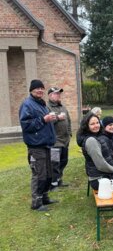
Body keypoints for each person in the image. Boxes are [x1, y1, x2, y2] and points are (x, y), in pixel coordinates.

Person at [19, 79, 58, 211]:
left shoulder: (41, 104)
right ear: (31, 90)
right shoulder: (27, 104)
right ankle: (36, 203)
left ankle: (44, 197)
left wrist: (51, 119)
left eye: (42, 88)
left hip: (45, 144)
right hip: (36, 147)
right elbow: (26, 125)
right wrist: (43, 119)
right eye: (37, 88)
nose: (40, 90)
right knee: (39, 174)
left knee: (48, 174)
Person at [47, 87, 72, 190]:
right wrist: (58, 118)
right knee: (54, 163)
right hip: (55, 141)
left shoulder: (62, 107)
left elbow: (69, 120)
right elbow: (47, 122)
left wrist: (69, 133)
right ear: (50, 96)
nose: (58, 95)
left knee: (64, 161)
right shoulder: (47, 107)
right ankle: (53, 184)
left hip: (65, 140)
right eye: (55, 94)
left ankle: (59, 179)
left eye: (58, 94)